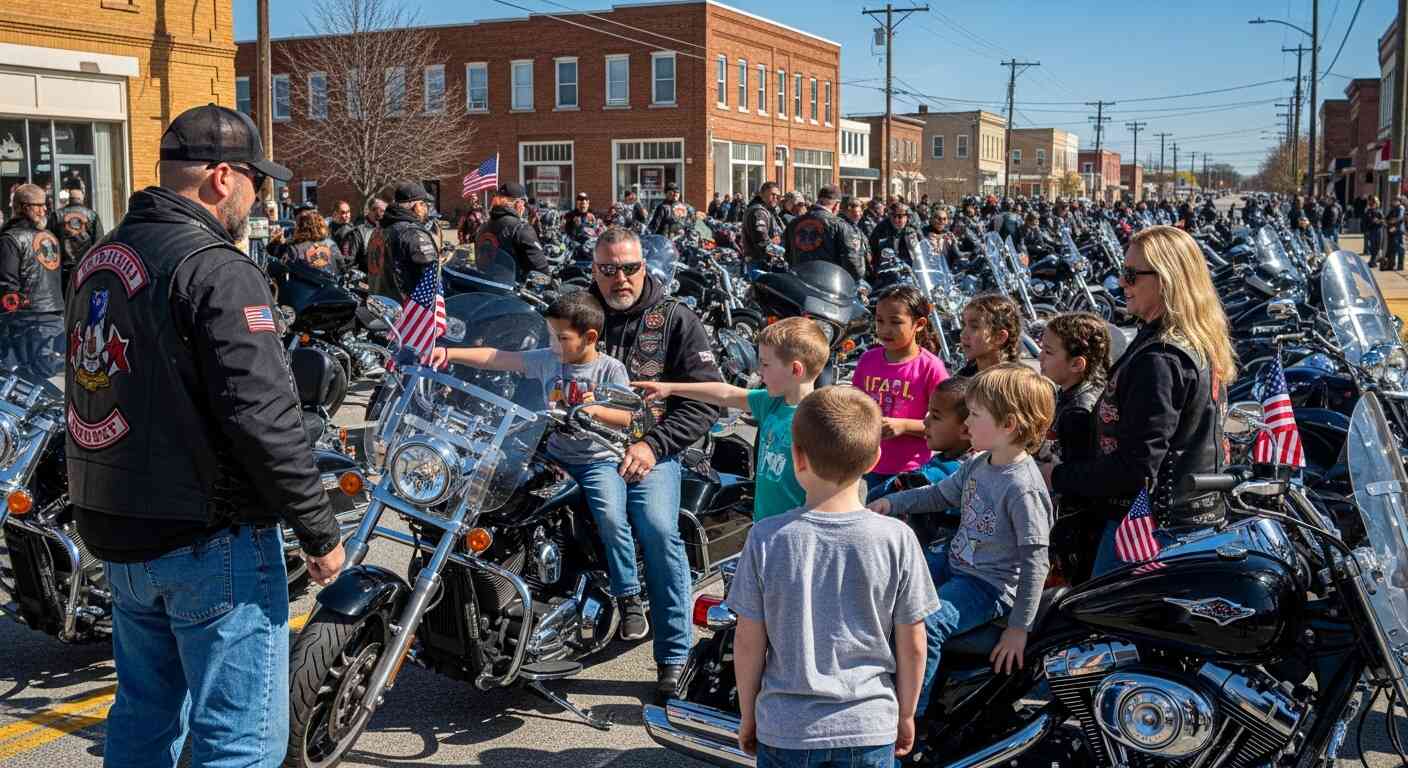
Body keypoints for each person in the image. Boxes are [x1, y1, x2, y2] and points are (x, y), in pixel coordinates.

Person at [65, 104, 344, 768]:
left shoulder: (100, 257)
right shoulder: (216, 266)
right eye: (256, 180)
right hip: (207, 538)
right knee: (239, 741)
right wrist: (319, 531)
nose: (259, 198)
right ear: (222, 177)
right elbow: (263, 414)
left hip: (122, 531)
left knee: (144, 716)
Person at [731, 386, 937, 766]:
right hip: (868, 725)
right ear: (875, 459)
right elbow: (913, 644)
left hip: (786, 727)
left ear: (797, 457)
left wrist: (748, 713)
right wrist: (907, 713)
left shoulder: (766, 537)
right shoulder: (897, 538)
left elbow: (747, 640)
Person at [429, 292, 651, 639]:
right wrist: (449, 353)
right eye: (550, 335)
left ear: (590, 338)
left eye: (561, 338)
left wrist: (594, 409)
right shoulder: (549, 359)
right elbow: (498, 358)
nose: (553, 343)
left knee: (611, 517)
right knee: (491, 483)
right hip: (552, 453)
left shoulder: (609, 369)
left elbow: (626, 416)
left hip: (596, 461)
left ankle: (629, 598)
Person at [1044, 225, 1234, 577]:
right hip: (1189, 519)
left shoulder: (1160, 359)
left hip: (1149, 530)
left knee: (1100, 611)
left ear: (1166, 279)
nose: (1121, 282)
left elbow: (1135, 468)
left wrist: (1056, 475)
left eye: (1131, 275)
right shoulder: (1190, 341)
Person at [870, 363, 1055, 722]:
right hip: (956, 564)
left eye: (975, 415)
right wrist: (891, 503)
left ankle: (910, 718)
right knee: (889, 586)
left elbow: (1036, 561)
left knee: (926, 626)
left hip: (988, 587)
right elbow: (939, 495)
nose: (966, 423)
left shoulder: (1023, 488)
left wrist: (1019, 629)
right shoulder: (980, 462)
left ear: (1008, 425)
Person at [590, 225, 722, 697]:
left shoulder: (675, 319)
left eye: (629, 268)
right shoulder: (577, 311)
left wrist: (652, 446)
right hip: (579, 446)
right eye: (609, 269)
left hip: (651, 448)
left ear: (644, 266)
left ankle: (673, 655)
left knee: (658, 527)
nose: (620, 278)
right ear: (594, 270)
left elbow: (705, 399)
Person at [634, 317, 829, 521]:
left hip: (794, 531)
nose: (759, 371)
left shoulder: (818, 424)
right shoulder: (771, 402)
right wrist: (670, 388)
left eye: (765, 364)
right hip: (762, 526)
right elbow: (726, 393)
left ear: (795, 370)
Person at [855, 285, 949, 499]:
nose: (885, 329)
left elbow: (946, 424)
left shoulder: (930, 367)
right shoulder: (867, 360)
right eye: (880, 321)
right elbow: (856, 405)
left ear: (919, 324)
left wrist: (904, 426)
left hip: (912, 470)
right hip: (871, 463)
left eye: (895, 322)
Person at [1038, 313, 1110, 584]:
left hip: (1076, 523)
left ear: (1077, 364)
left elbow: (1078, 476)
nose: (1040, 357)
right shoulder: (1073, 394)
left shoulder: (1079, 411)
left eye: (1048, 352)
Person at [873, 375, 974, 503]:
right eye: (928, 413)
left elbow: (877, 497)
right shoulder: (972, 462)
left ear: (966, 430)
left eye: (936, 417)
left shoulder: (937, 476)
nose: (925, 421)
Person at [0, 183, 64, 372]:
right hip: (51, 315)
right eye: (39, 205)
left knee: (20, 378)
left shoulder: (10, 239)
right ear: (23, 207)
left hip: (26, 320)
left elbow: (6, 285)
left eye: (46, 205)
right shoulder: (49, 237)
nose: (44, 210)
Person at [366, 182, 439, 304]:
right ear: (415, 205)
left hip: (379, 305)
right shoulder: (412, 233)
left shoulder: (378, 230)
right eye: (423, 204)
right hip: (404, 309)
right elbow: (429, 277)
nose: (426, 209)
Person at [784, 185, 865, 282]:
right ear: (836, 205)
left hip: (799, 282)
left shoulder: (793, 224)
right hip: (829, 284)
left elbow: (787, 255)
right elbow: (853, 264)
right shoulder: (840, 225)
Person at [473, 181, 547, 282]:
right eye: (523, 203)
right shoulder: (521, 228)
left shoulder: (482, 228)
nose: (524, 207)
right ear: (518, 203)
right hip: (511, 289)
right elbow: (542, 271)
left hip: (485, 287)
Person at [55, 180, 103, 290]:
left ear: (69, 196)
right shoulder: (92, 215)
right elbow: (99, 244)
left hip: (63, 270)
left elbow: (51, 243)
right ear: (82, 196)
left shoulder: (56, 215)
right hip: (86, 268)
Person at [957, 293, 1022, 375]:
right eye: (963, 325)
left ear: (999, 337)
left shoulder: (1018, 380)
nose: (963, 334)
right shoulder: (963, 377)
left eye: (974, 327)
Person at [281, 207, 342, 275]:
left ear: (300, 228)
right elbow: (342, 268)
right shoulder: (331, 244)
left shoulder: (294, 249)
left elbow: (284, 270)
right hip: (329, 281)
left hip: (305, 281)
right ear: (321, 226)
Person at [868, 203, 922, 276]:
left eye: (900, 216)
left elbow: (923, 247)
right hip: (888, 271)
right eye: (893, 216)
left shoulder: (913, 229)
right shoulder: (881, 228)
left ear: (907, 217)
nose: (896, 220)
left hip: (911, 270)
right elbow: (871, 248)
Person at [741, 182, 784, 268]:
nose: (775, 198)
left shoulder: (767, 210)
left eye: (777, 196)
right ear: (761, 194)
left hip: (762, 261)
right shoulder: (759, 212)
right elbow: (762, 243)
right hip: (759, 263)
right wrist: (784, 251)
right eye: (772, 194)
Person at [1385, 196, 1406, 272]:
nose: (1393, 202)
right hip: (1392, 231)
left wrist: (1392, 221)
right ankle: (1391, 265)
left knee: (1400, 248)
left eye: (1395, 200)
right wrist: (1388, 221)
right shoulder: (1393, 208)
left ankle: (1400, 266)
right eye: (1393, 200)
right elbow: (1387, 218)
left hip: (1398, 230)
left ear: (1399, 201)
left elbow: (1399, 218)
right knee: (1392, 248)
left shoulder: (1401, 208)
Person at [1365, 195, 1385, 267]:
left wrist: (1378, 221)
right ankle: (1372, 261)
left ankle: (1373, 261)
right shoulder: (1369, 211)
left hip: (1379, 230)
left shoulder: (1379, 211)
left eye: (1374, 203)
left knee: (1378, 246)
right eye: (1372, 203)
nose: (1373, 204)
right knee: (1373, 246)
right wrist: (1374, 221)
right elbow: (1368, 220)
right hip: (1372, 230)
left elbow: (1383, 220)